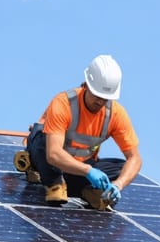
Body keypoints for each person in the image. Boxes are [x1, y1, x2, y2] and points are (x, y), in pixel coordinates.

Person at [21, 54, 142, 210]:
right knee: (42, 138)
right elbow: (54, 154)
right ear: (86, 85)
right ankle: (54, 183)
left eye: (105, 98)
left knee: (121, 167)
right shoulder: (64, 103)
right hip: (51, 163)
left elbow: (135, 159)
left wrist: (118, 184)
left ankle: (86, 190)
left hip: (78, 169)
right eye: (97, 95)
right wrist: (88, 171)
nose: (100, 101)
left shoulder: (116, 114)